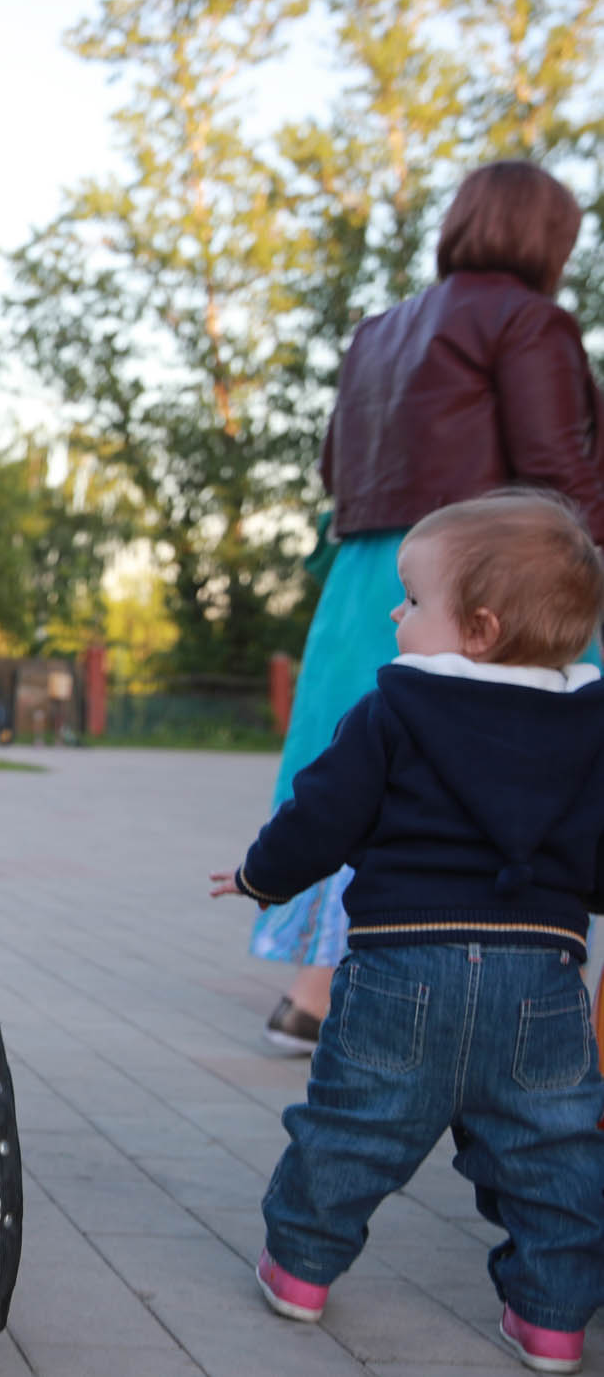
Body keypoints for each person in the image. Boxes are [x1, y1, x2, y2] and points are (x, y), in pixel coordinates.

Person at [212, 490, 604, 1373]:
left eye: (414, 598)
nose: (395, 613)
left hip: (401, 965)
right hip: (541, 976)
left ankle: (300, 1269)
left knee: (355, 1124)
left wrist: (257, 877)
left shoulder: (393, 710)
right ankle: (551, 1318)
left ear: (479, 628)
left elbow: (320, 815)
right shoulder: (589, 730)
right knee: (549, 1147)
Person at [251, 159, 604, 1055]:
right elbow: (557, 475)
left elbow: (333, 466)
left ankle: (316, 990)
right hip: (489, 575)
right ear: (548, 238)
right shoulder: (529, 321)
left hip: (377, 573)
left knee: (365, 758)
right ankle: (516, 992)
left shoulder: (378, 330)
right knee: (532, 753)